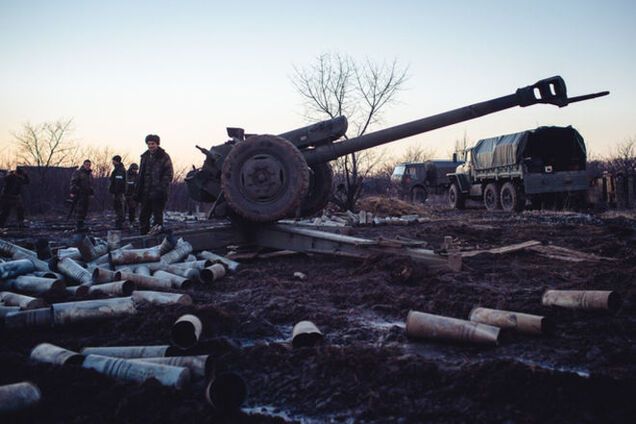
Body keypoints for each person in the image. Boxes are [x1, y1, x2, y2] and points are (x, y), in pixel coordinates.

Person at [135, 134, 173, 235]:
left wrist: (160, 189)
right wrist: (138, 190)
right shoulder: (144, 157)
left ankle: (158, 239)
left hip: (158, 193)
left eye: (153, 144)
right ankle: (143, 237)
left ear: (157, 144)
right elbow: (141, 175)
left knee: (157, 218)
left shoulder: (164, 157)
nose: (151, 146)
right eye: (149, 144)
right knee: (143, 217)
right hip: (145, 192)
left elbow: (168, 174)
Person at [69, 159, 94, 231]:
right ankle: (78, 225)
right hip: (79, 194)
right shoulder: (78, 173)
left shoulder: (89, 174)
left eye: (89, 165)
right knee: (80, 209)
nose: (88, 166)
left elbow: (90, 185)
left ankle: (81, 224)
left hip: (86, 195)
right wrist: (73, 192)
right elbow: (73, 182)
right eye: (86, 165)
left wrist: (91, 193)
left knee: (85, 210)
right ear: (83, 164)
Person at [109, 155, 126, 229]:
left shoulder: (120, 170)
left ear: (116, 161)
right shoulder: (117, 169)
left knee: (119, 207)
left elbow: (119, 182)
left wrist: (116, 191)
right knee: (117, 207)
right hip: (117, 192)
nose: (112, 162)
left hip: (119, 192)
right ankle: (119, 222)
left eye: (113, 161)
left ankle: (119, 223)